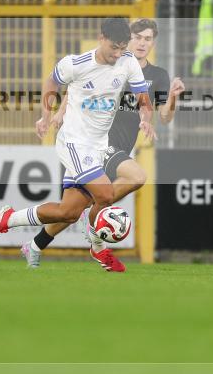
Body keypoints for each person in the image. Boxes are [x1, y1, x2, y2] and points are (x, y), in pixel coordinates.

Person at [0, 18, 155, 273]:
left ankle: (8, 219)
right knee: (104, 194)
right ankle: (99, 248)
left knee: (68, 212)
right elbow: (51, 83)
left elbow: (143, 99)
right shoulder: (76, 63)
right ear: (101, 38)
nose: (117, 53)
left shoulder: (127, 62)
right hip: (73, 142)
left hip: (98, 145)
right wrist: (46, 115)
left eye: (121, 47)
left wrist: (146, 119)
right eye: (113, 48)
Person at [20, 19, 185, 270]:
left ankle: (35, 244)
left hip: (118, 147)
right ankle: (96, 221)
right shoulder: (112, 61)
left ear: (153, 42)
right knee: (137, 176)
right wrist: (59, 112)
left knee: (72, 208)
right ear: (127, 39)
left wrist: (172, 97)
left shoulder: (158, 76)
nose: (142, 43)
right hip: (98, 142)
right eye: (137, 37)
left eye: (148, 39)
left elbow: (165, 116)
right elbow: (81, 89)